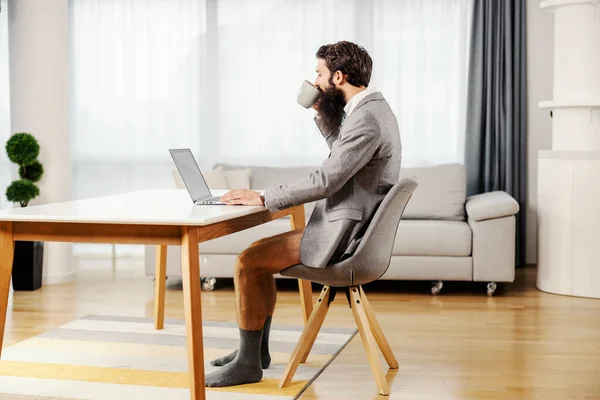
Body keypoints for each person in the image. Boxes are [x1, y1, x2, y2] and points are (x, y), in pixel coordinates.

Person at [205, 40, 402, 387]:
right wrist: (319, 109)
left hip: (344, 238)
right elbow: (344, 154)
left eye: (319, 74)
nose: (313, 81)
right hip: (354, 228)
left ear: (337, 76)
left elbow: (327, 179)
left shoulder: (368, 118)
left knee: (248, 262)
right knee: (258, 258)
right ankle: (254, 354)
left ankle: (248, 363)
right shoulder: (371, 110)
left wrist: (263, 196)